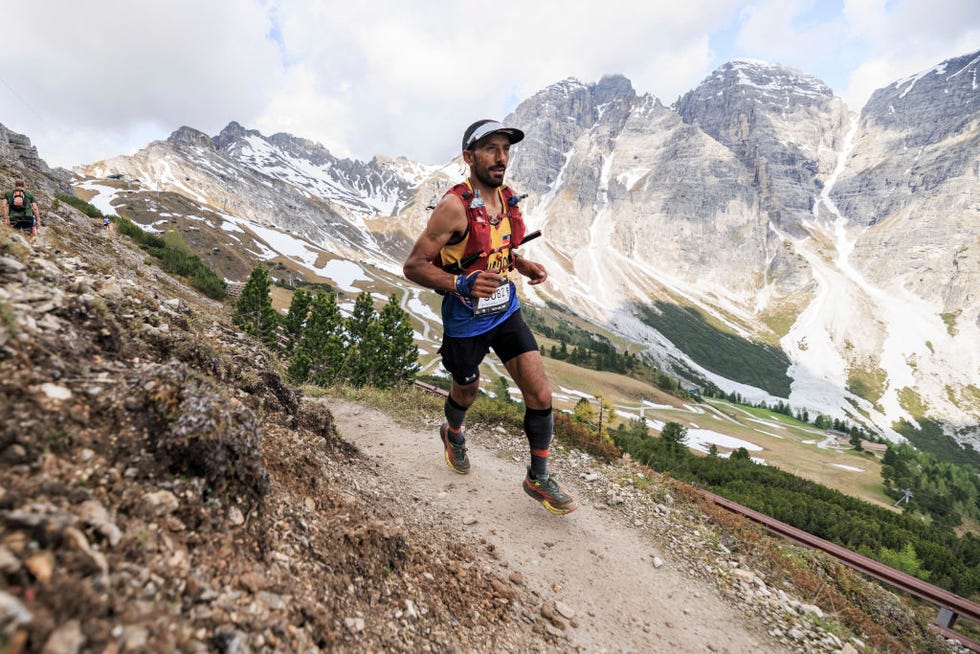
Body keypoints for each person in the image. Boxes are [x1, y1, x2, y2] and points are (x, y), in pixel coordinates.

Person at [403, 119, 577, 515]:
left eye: (506, 149)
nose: (501, 158)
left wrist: (523, 263)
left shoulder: (508, 198)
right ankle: (453, 432)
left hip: (505, 310)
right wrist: (462, 285)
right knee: (467, 391)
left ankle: (538, 476)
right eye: (490, 149)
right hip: (465, 319)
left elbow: (495, 248)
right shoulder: (453, 207)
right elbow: (414, 266)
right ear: (469, 157)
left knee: (540, 393)